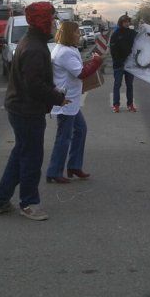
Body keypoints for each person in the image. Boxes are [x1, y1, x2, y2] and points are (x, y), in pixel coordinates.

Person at [0, 1, 68, 221]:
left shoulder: (32, 42)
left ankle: (1, 199)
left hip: (21, 107)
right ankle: (29, 203)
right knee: (31, 158)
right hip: (26, 110)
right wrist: (58, 97)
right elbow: (34, 85)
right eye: (52, 19)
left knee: (21, 154)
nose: (55, 23)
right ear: (44, 21)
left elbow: (34, 82)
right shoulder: (34, 47)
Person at [46, 21, 103, 184]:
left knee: (80, 130)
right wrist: (97, 62)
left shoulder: (68, 49)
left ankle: (73, 166)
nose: (80, 35)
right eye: (77, 32)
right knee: (64, 137)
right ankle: (54, 171)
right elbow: (81, 73)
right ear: (70, 34)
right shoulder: (65, 52)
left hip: (71, 100)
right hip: (65, 102)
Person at [110, 13, 138, 113]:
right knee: (117, 85)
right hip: (119, 64)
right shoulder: (116, 34)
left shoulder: (132, 33)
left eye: (128, 22)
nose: (127, 23)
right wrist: (119, 60)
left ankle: (130, 104)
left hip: (130, 64)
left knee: (129, 85)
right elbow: (113, 50)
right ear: (121, 22)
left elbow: (141, 38)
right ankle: (116, 105)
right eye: (125, 22)